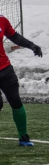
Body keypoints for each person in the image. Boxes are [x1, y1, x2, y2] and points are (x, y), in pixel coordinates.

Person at [0, 15, 42, 146]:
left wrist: (31, 45)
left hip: (5, 69)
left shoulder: (2, 20)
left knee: (15, 100)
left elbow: (15, 36)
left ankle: (23, 137)